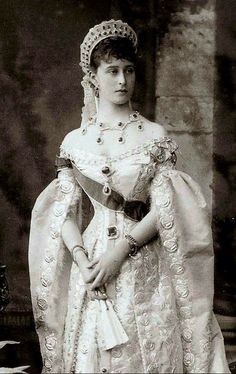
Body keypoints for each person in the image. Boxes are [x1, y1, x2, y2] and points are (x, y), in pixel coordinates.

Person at [28, 20, 230, 374]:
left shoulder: (153, 135)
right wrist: (82, 260)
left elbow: (167, 207)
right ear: (93, 77)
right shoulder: (75, 141)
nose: (122, 81)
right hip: (90, 266)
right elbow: (64, 213)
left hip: (143, 263)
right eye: (112, 71)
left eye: (129, 71)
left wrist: (120, 251)